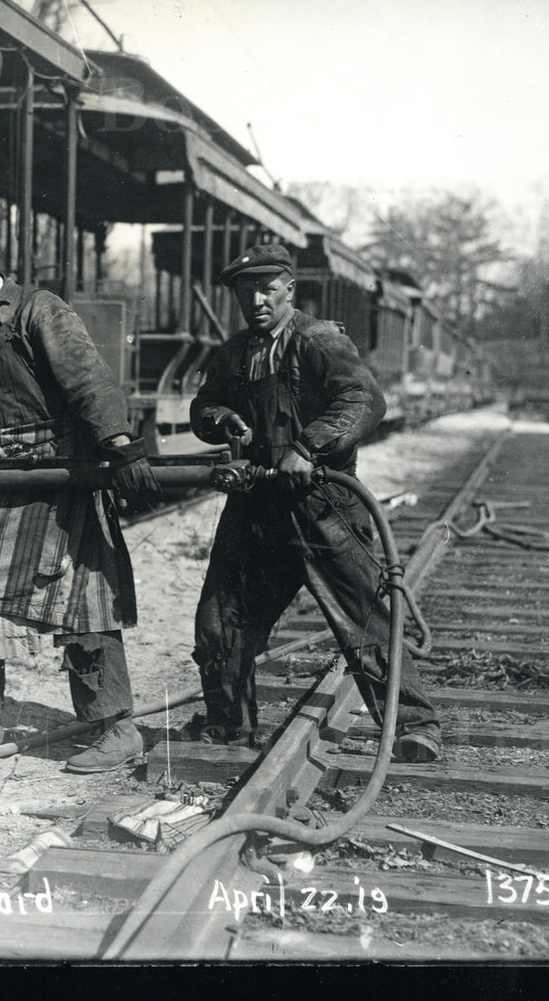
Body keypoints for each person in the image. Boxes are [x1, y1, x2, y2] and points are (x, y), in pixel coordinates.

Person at [0, 229, 160, 773]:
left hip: (60, 471)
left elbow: (88, 382)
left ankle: (114, 727)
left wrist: (119, 447)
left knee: (82, 599)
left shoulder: (38, 310)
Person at [188, 243, 443, 762]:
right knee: (221, 619)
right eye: (245, 290)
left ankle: (415, 727)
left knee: (365, 620)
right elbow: (202, 406)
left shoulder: (318, 340)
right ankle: (229, 726)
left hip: (322, 505)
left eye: (266, 288)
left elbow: (365, 400)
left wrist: (310, 446)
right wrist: (219, 418)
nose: (256, 299)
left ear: (289, 288)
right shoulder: (234, 352)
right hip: (257, 506)